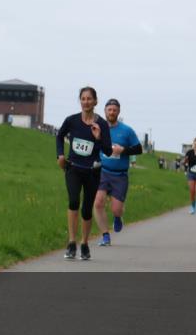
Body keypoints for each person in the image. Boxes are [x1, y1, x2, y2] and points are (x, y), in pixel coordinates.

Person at [56, 87, 113, 261]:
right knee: (74, 201)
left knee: (87, 210)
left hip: (92, 172)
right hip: (73, 168)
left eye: (89, 99)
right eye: (83, 98)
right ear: (80, 101)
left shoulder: (102, 124)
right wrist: (60, 155)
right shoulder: (72, 120)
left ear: (95, 102)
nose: (86, 101)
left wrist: (98, 137)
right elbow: (59, 136)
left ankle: (85, 244)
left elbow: (108, 151)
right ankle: (72, 243)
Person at [93, 99, 142, 246]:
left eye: (114, 110)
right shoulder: (99, 128)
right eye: (109, 110)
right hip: (102, 171)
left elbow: (139, 149)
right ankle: (105, 236)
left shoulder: (127, 131)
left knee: (116, 209)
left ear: (118, 112)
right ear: (105, 111)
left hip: (120, 175)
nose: (112, 112)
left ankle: (118, 217)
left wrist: (124, 150)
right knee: (98, 202)